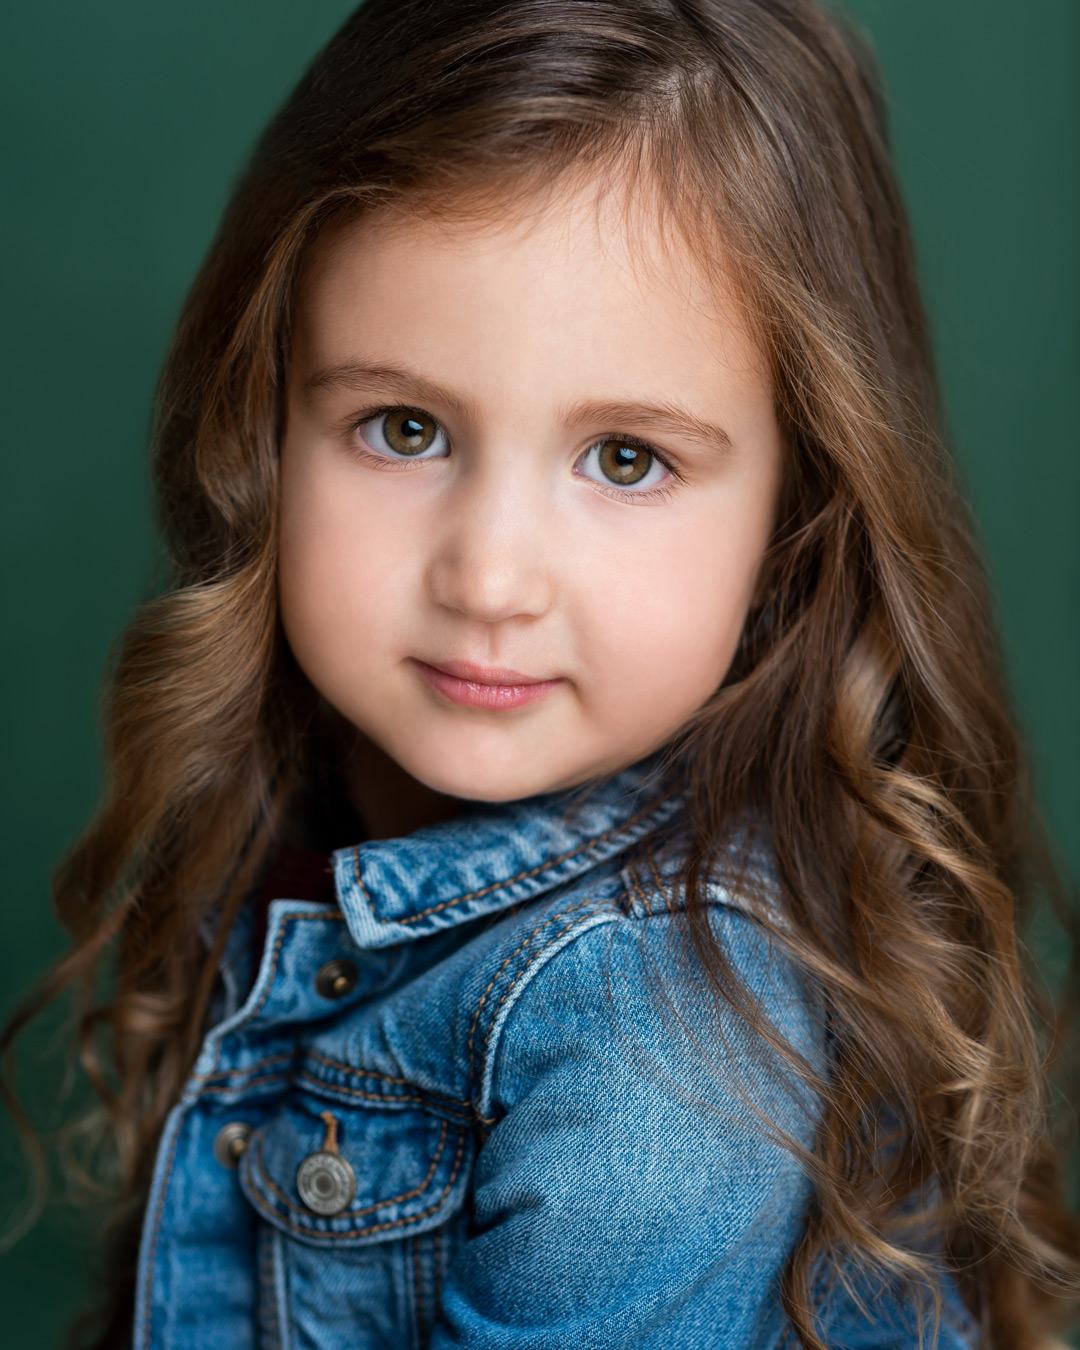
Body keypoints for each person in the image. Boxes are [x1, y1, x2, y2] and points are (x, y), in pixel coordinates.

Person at [4, 0, 1079, 1346]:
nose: (490, 577)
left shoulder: (658, 1057)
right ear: (264, 420)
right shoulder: (313, 815)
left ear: (797, 510)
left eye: (626, 457)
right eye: (402, 429)